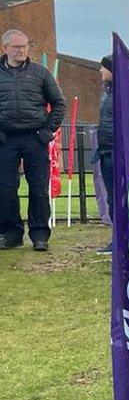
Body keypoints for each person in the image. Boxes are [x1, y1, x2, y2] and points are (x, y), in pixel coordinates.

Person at [0, 28, 66, 251]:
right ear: (5, 48)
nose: (22, 50)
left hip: (35, 138)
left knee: (38, 188)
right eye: (17, 46)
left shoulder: (41, 73)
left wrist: (47, 132)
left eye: (25, 46)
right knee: (5, 188)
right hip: (5, 140)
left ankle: (39, 235)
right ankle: (11, 233)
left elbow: (59, 104)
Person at [94, 55, 115, 255]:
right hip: (106, 150)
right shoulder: (107, 93)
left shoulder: (122, 94)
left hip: (118, 153)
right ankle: (116, 238)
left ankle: (120, 240)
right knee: (112, 198)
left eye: (103, 68)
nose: (100, 71)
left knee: (119, 198)